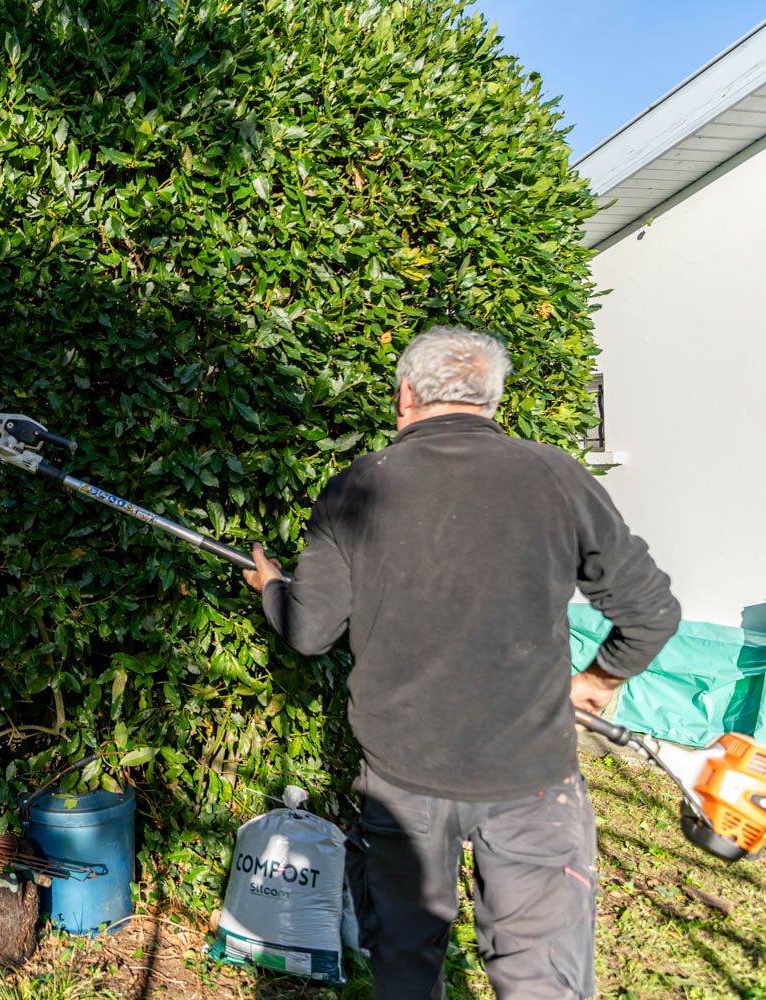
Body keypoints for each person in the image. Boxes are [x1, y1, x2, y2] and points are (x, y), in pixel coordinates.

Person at [242, 326, 679, 1000]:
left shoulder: (357, 486)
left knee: (407, 972)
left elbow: (309, 632)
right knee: (543, 982)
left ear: (405, 396)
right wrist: (599, 681)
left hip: (401, 777)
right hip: (532, 777)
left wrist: (272, 585)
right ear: (492, 400)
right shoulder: (555, 474)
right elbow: (651, 610)